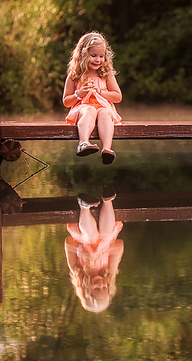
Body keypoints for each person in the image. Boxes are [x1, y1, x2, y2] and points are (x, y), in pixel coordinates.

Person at [62, 31, 123, 164]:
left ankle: (107, 149)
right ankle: (83, 143)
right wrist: (78, 94)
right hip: (83, 108)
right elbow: (66, 102)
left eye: (101, 56)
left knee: (105, 112)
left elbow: (118, 97)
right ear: (82, 55)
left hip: (103, 108)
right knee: (90, 110)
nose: (98, 60)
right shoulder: (75, 76)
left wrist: (101, 92)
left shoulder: (106, 75)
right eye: (93, 55)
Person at [65, 185, 124, 313]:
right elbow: (119, 246)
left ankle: (84, 207)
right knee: (106, 233)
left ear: (85, 290)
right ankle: (107, 199)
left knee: (91, 237)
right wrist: (104, 252)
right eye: (105, 288)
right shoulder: (109, 272)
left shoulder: (77, 270)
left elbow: (68, 243)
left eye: (97, 289)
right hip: (105, 238)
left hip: (84, 236)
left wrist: (80, 251)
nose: (102, 284)